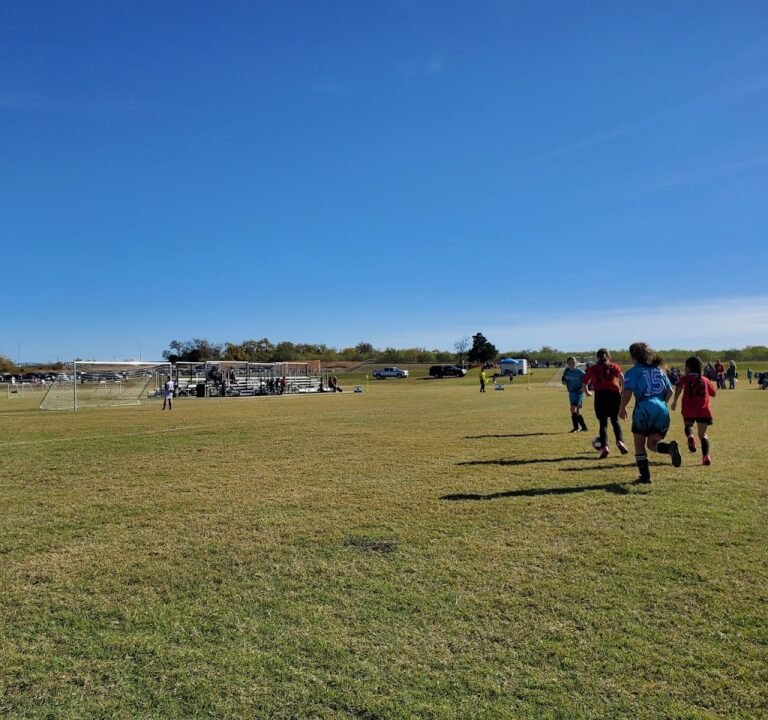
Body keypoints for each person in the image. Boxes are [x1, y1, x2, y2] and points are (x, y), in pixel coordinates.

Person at [620, 342, 681, 484]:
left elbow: (627, 391)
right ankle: (669, 449)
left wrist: (622, 407)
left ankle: (645, 477)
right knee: (652, 443)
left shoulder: (633, 372)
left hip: (644, 407)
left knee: (640, 445)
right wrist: (661, 403)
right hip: (661, 407)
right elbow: (670, 391)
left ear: (633, 356)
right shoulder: (659, 370)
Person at [582, 348, 628, 458]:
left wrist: (588, 392)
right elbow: (622, 378)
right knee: (615, 420)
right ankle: (620, 441)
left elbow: (584, 383)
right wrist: (622, 390)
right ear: (609, 357)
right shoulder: (614, 366)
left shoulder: (592, 369)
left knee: (603, 423)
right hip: (613, 394)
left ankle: (605, 447)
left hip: (600, 395)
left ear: (597, 357)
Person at [671, 356, 716, 466]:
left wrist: (675, 401)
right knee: (703, 434)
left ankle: (690, 436)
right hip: (704, 410)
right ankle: (706, 456)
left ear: (688, 368)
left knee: (688, 426)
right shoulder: (705, 380)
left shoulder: (685, 378)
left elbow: (678, 388)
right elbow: (713, 393)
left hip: (689, 409)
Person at [561, 357, 588, 432]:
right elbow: (563, 381)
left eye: (573, 363)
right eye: (570, 363)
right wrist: (564, 381)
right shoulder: (566, 371)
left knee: (573, 409)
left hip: (578, 393)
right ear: (567, 364)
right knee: (577, 411)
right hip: (571, 393)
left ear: (576, 363)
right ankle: (584, 427)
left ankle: (576, 428)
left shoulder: (580, 372)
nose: (572, 364)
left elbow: (587, 379)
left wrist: (583, 388)